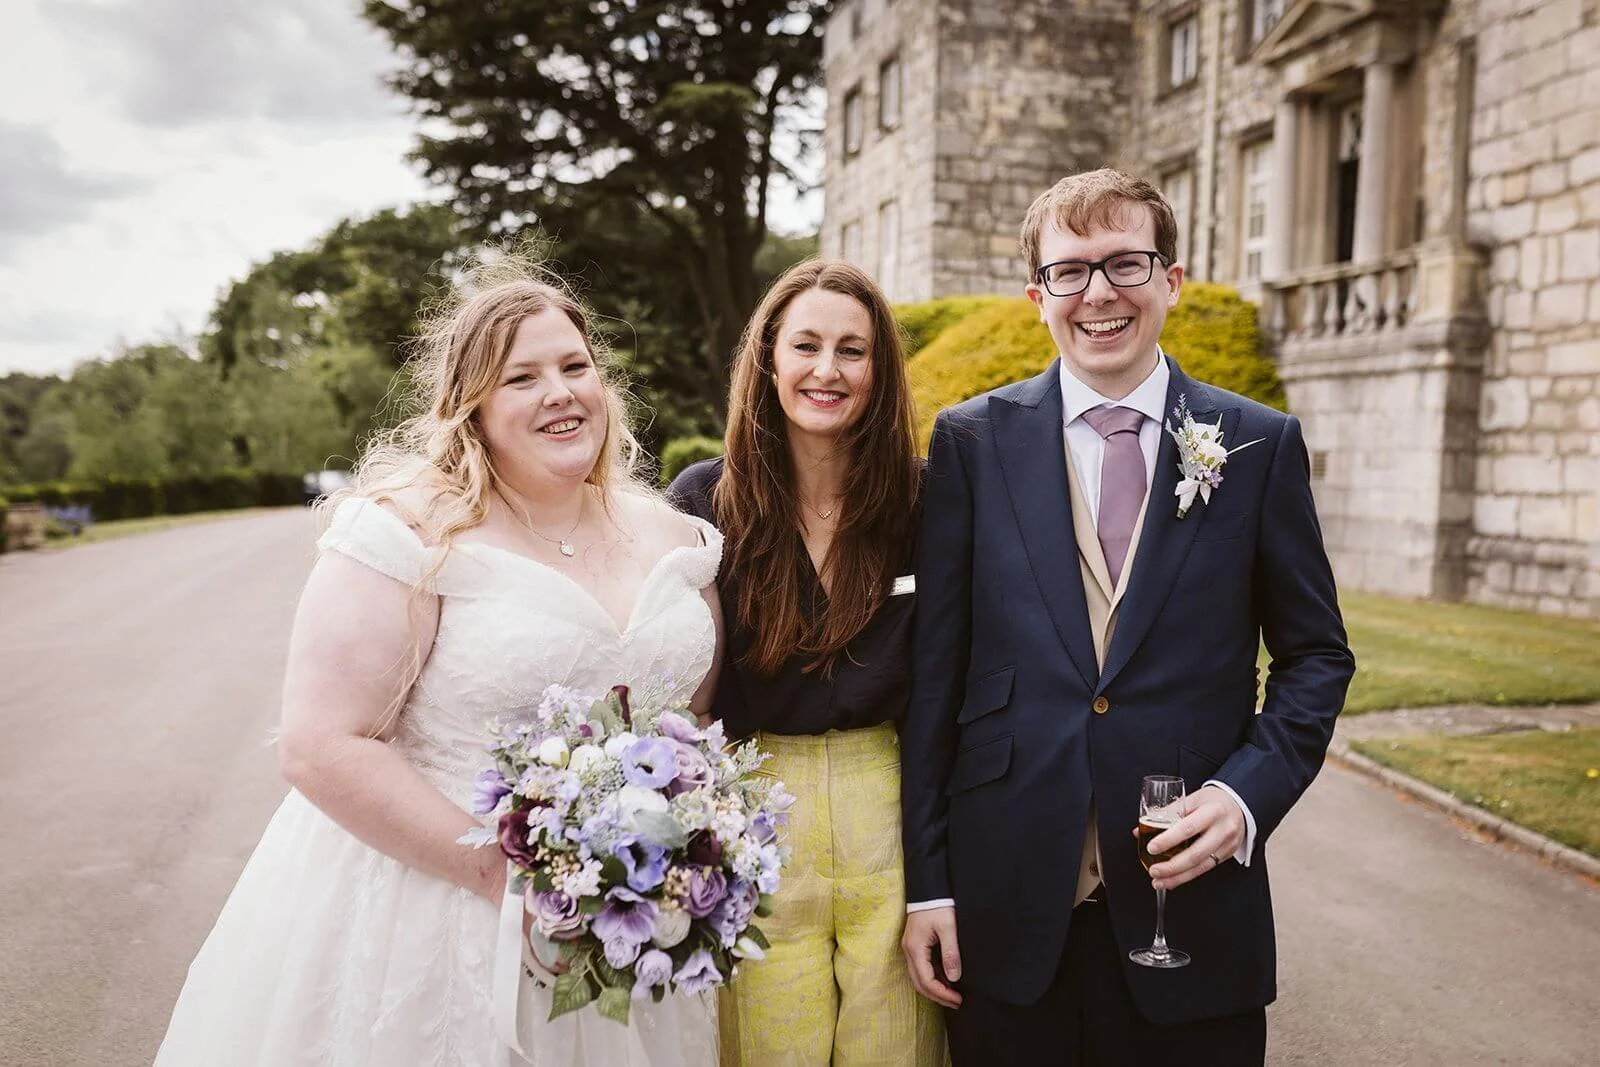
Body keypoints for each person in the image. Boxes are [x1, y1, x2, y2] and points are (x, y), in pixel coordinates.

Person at [155, 258, 725, 1066]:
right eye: (522, 376)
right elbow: (320, 745)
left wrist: (681, 845)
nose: (560, 391)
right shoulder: (408, 536)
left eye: (575, 366)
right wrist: (508, 881)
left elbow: (691, 721)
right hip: (437, 909)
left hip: (633, 925)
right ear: (473, 407)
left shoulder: (677, 539)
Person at [899, 169, 1356, 1065]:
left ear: (1171, 280)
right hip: (1008, 911)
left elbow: (1316, 657)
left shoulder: (1258, 443)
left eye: (1126, 264)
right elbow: (935, 679)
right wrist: (929, 888)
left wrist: (1243, 794)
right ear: (1038, 297)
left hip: (1191, 918)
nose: (1098, 293)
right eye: (1070, 272)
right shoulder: (969, 442)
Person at [669, 260, 944, 1066]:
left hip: (892, 813)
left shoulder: (928, 499)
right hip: (757, 820)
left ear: (880, 370)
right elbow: (684, 686)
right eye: (807, 345)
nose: (828, 370)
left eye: (852, 350)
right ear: (769, 360)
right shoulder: (701, 502)